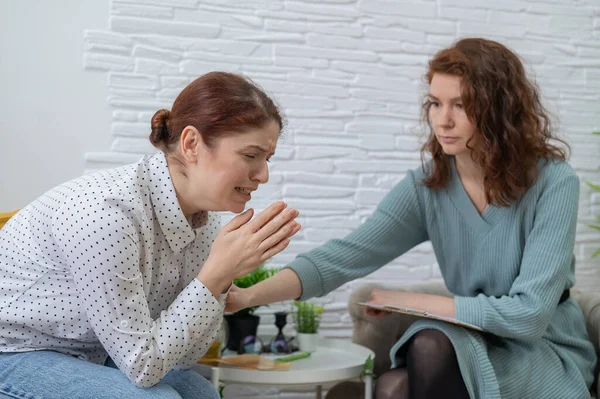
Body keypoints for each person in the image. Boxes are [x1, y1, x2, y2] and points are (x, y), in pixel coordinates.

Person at [225, 38, 597, 399]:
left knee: (414, 365)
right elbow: (344, 257)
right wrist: (247, 296)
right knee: (396, 382)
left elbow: (529, 315)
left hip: (541, 345)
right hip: (472, 336)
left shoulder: (552, 181)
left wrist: (408, 300)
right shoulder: (427, 186)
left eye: (462, 105)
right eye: (435, 103)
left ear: (499, 110)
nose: (443, 121)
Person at [0, 71, 301, 399]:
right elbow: (144, 366)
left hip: (92, 352)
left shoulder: (206, 227)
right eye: (250, 155)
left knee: (203, 394)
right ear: (191, 144)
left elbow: (185, 358)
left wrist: (221, 278)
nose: (264, 175)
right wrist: (215, 276)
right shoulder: (108, 214)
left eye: (267, 158)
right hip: (15, 350)